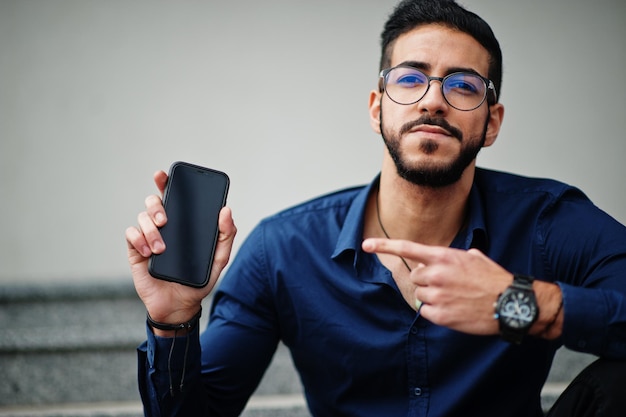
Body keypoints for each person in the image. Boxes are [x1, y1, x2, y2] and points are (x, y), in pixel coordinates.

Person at [125, 0, 626, 416]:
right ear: (377, 106)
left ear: (491, 124)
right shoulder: (284, 250)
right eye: (410, 79)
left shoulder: (546, 222)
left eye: (463, 85)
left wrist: (518, 303)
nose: (433, 100)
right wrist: (173, 321)